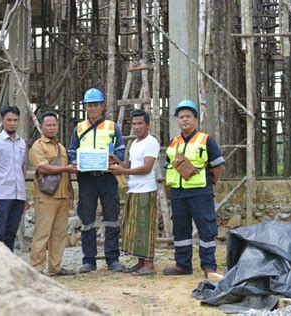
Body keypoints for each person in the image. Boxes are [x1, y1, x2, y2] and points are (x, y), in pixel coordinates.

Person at [163, 99, 225, 278]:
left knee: (206, 229)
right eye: (181, 117)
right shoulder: (173, 143)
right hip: (178, 193)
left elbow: (219, 166)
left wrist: (211, 183)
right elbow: (168, 165)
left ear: (195, 119)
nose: (184, 120)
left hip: (200, 192)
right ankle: (182, 265)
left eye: (188, 116)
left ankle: (209, 267)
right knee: (181, 230)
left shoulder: (206, 140)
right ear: (177, 120)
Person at [68, 87, 126, 273]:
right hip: (86, 179)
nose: (92, 108)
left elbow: (121, 151)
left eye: (96, 105)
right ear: (85, 107)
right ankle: (89, 260)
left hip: (107, 177)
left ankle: (112, 259)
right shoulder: (79, 128)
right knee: (87, 220)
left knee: (111, 218)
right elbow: (71, 152)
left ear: (102, 106)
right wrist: (74, 162)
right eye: (89, 105)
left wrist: (115, 158)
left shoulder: (112, 127)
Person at [110, 109, 160, 276]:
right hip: (134, 189)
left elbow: (146, 168)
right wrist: (117, 162)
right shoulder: (135, 143)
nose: (136, 127)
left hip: (146, 189)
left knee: (145, 227)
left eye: (140, 123)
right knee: (134, 226)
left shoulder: (151, 142)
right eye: (134, 124)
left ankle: (149, 264)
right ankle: (140, 262)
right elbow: (130, 165)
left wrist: (123, 172)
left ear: (147, 125)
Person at [29, 112, 78, 276]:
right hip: (46, 196)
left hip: (62, 196)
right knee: (42, 233)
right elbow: (42, 168)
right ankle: (36, 269)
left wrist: (70, 192)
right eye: (48, 125)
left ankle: (55, 267)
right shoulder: (37, 146)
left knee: (59, 234)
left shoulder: (61, 147)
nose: (51, 127)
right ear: (41, 127)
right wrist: (66, 168)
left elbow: (66, 174)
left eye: (54, 125)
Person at [0, 105, 27, 251]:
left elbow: (21, 169)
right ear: (2, 120)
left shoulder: (22, 143)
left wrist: (24, 195)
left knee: (10, 234)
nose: (12, 123)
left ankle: (7, 268)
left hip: (18, 195)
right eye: (9, 120)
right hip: (1, 194)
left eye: (15, 120)